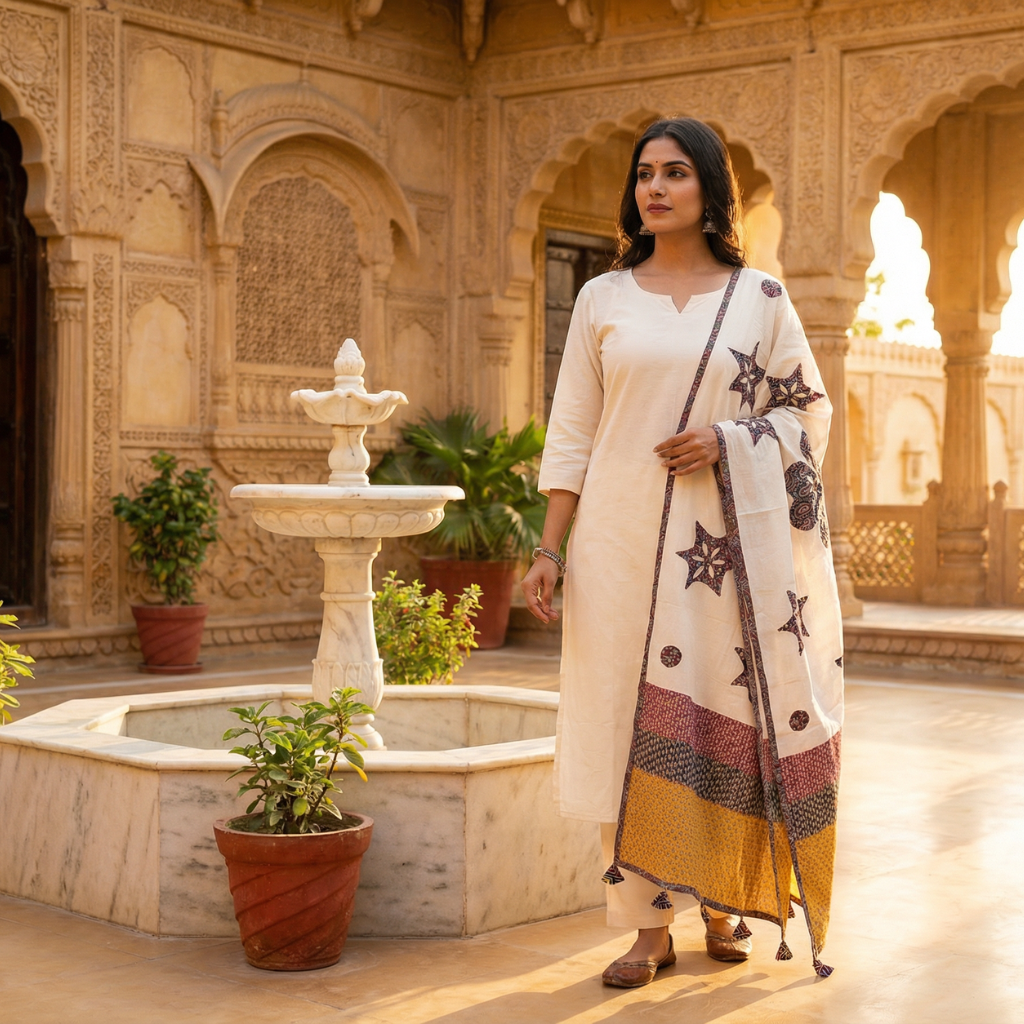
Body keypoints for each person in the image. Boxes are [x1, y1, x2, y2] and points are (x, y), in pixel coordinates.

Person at [521, 117, 843, 988]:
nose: (654, 188)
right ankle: (645, 925)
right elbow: (573, 429)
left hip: (725, 552)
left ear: (709, 187)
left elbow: (807, 411)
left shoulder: (759, 298)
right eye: (643, 174)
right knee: (624, 722)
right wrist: (549, 547)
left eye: (674, 173)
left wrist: (726, 440)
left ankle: (724, 899)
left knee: (719, 714)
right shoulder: (604, 298)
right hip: (618, 546)